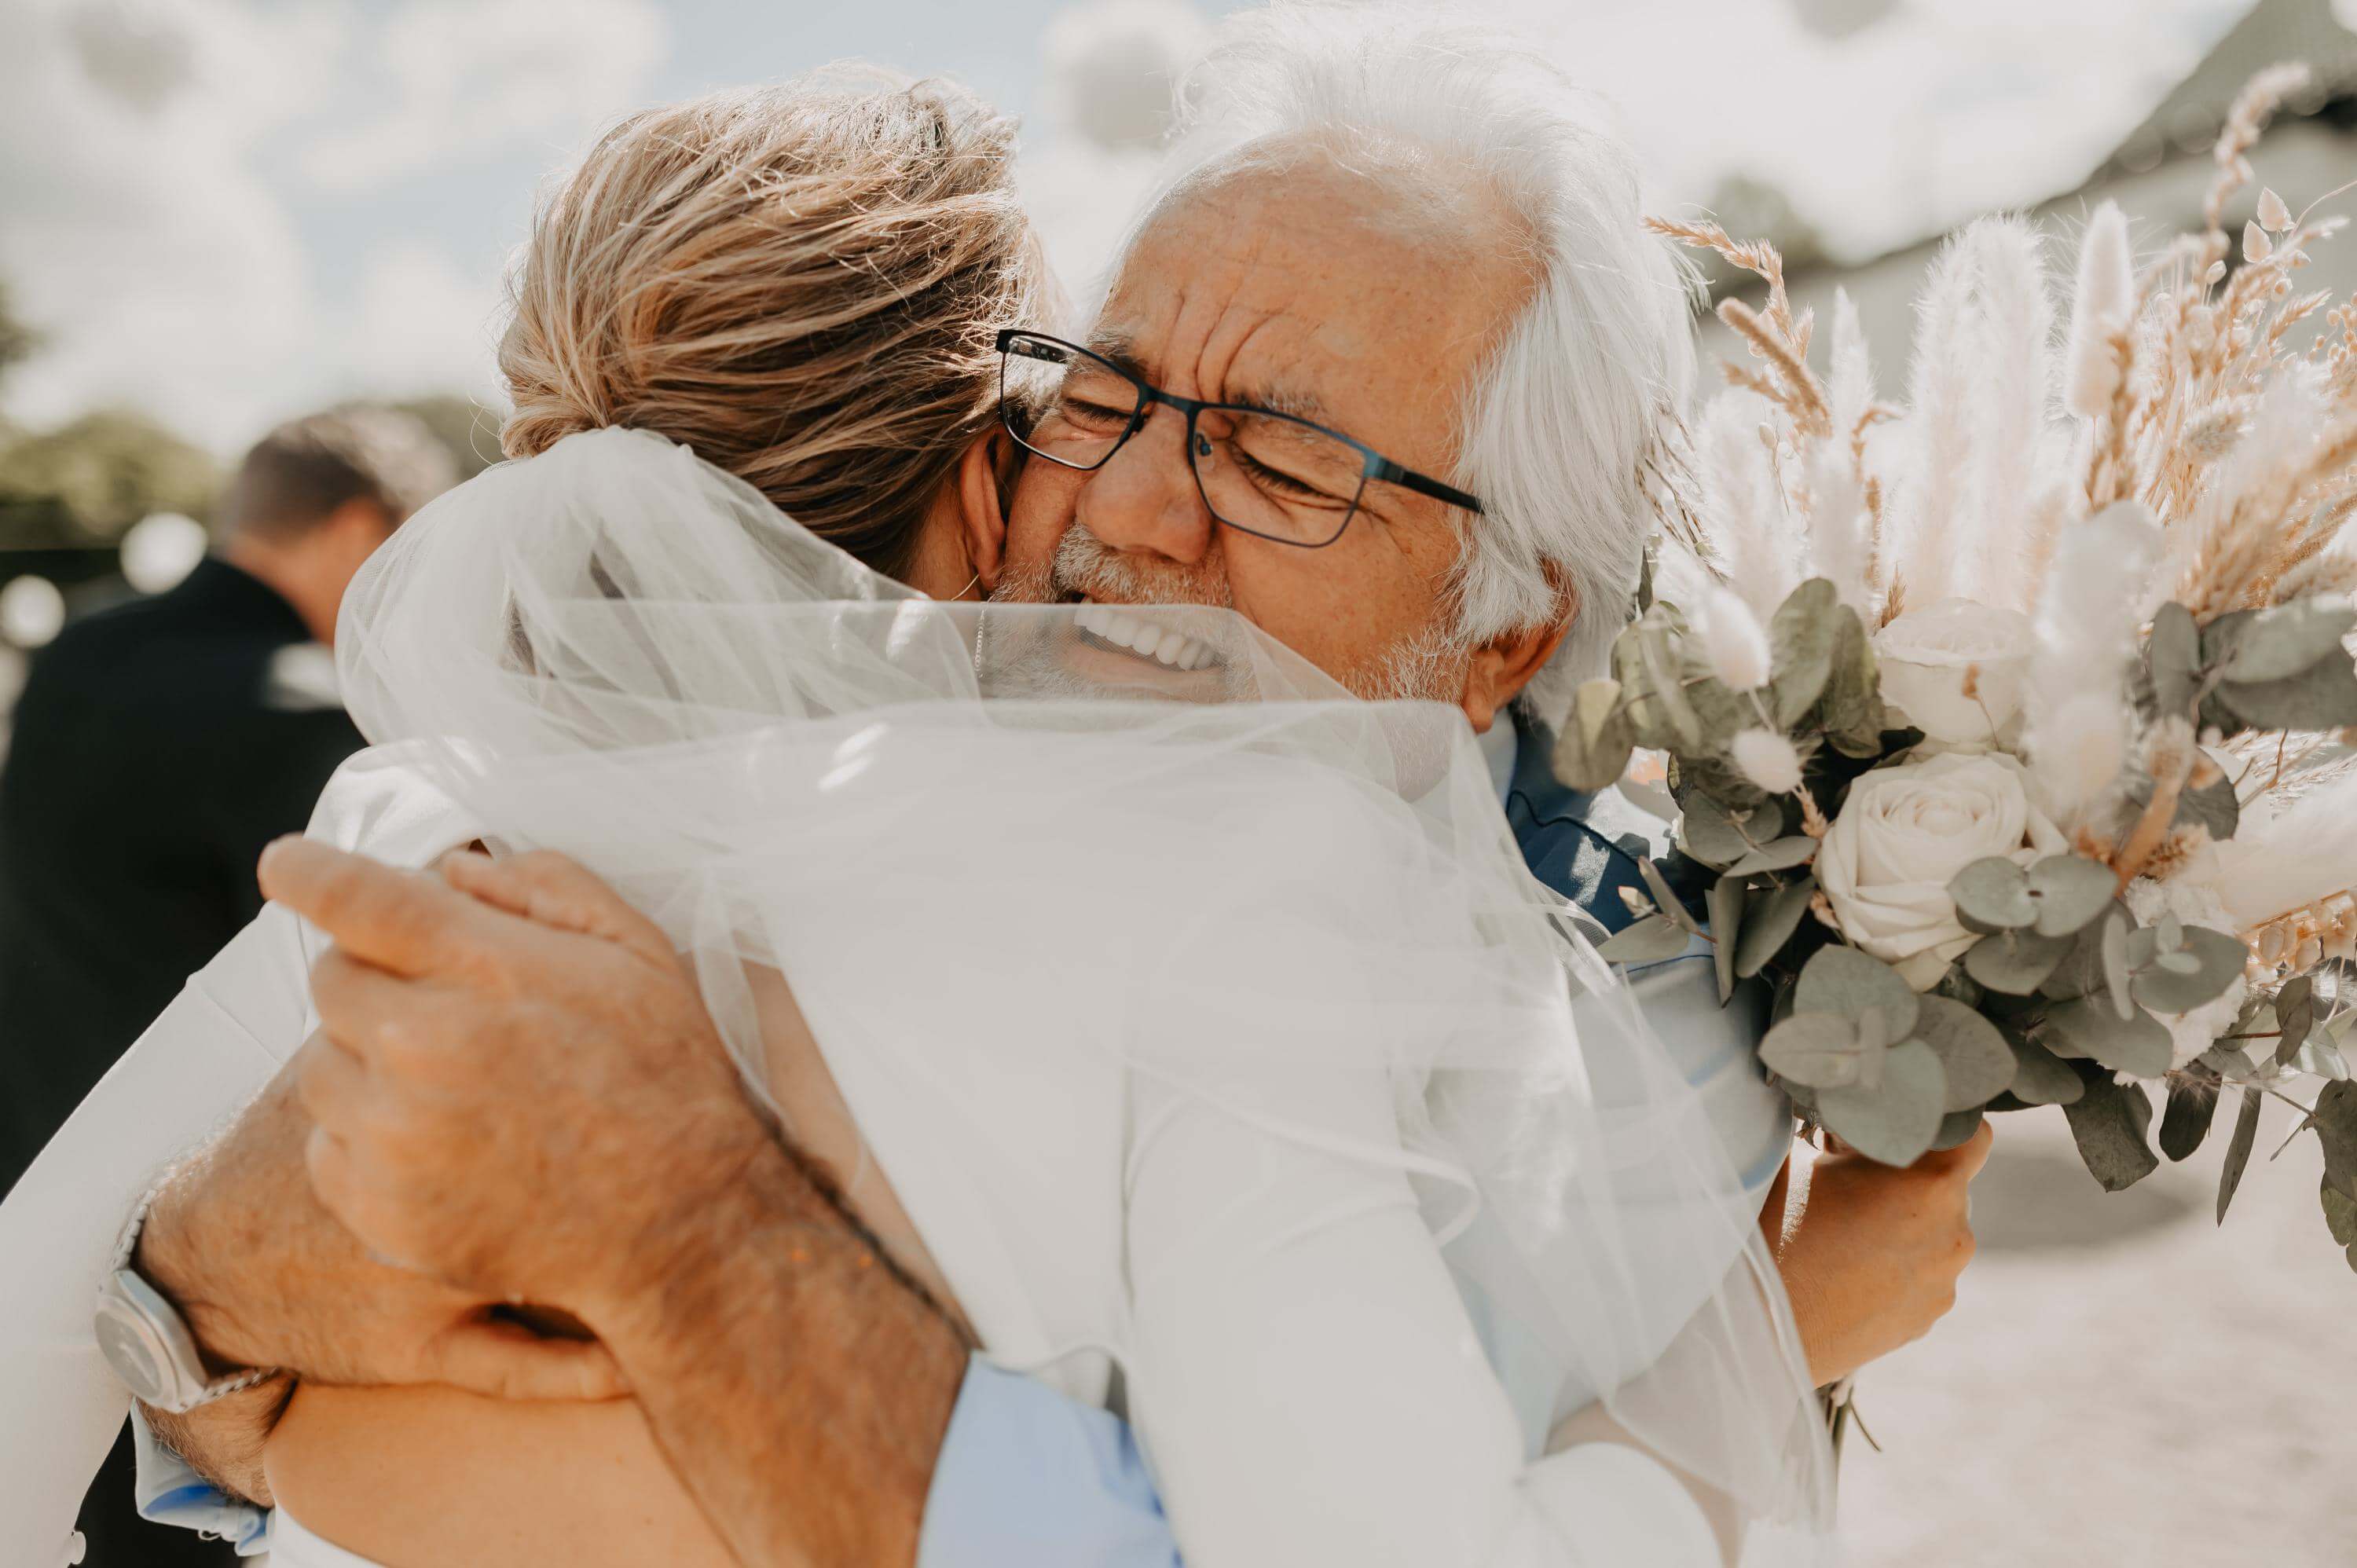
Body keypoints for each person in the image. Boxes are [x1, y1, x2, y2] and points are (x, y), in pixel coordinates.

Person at [0, 13, 1986, 1567]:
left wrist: (240, 1386)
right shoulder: (470, 852)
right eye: (1101, 395)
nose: (1123, 507)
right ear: (981, 467)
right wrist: (1759, 1352)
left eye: (1283, 459)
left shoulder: (1683, 1014)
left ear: (1506, 637)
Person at [0, 404, 453, 1566]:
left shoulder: (76, 653)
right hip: (193, 1240)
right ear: (362, 533)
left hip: (32, 1149)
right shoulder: (298, 708)